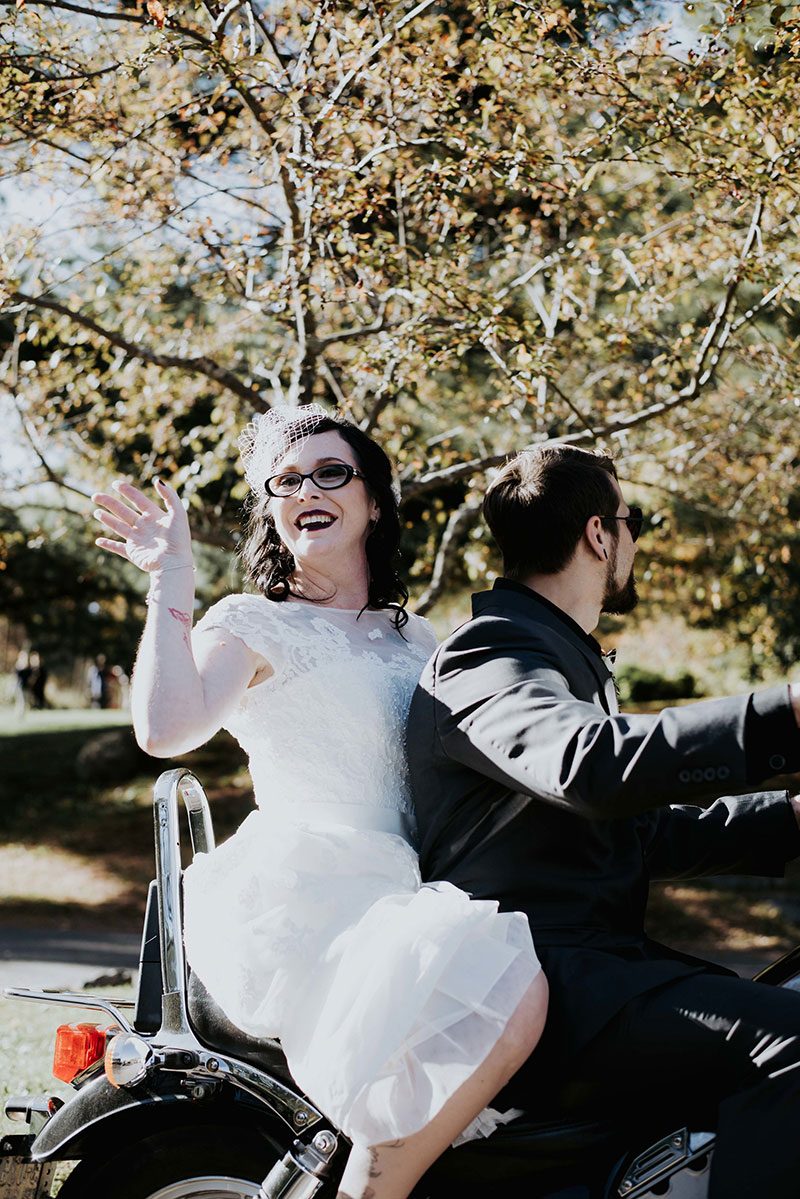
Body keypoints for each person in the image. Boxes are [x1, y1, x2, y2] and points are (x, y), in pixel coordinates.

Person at [90, 404, 547, 1199]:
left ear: (374, 501)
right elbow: (166, 728)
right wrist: (173, 581)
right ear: (272, 507)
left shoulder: (421, 638)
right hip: (321, 889)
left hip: (421, 876)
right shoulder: (254, 623)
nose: (309, 487)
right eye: (288, 480)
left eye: (332, 472)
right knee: (515, 991)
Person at [407, 443, 800, 1199]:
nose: (635, 541)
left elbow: (634, 833)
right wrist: (781, 712)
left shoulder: (555, 652)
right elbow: (588, 766)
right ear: (598, 534)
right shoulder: (488, 654)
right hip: (542, 986)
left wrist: (790, 818)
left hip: (596, 971)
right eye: (633, 522)